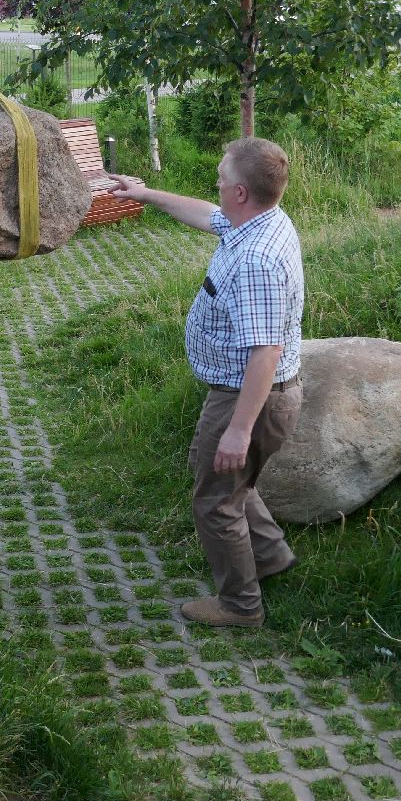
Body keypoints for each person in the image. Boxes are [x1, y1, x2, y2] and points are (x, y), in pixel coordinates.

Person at [108, 137, 304, 627]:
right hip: (252, 393)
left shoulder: (257, 259)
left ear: (239, 192)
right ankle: (271, 556)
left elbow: (265, 352)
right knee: (222, 475)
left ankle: (240, 605)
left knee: (216, 501)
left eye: (221, 177)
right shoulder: (260, 220)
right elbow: (204, 214)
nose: (215, 183)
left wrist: (239, 430)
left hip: (250, 397)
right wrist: (143, 193)